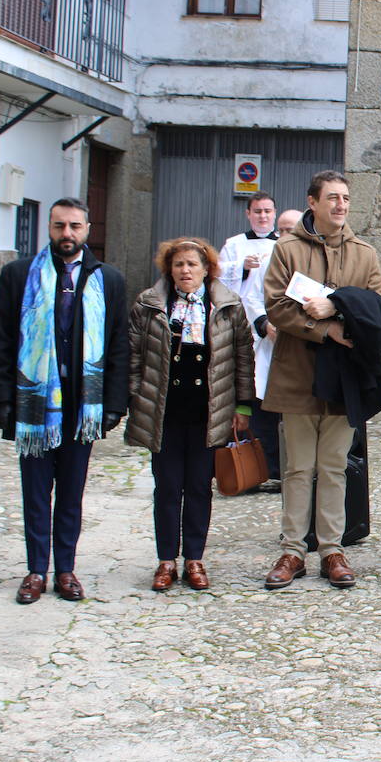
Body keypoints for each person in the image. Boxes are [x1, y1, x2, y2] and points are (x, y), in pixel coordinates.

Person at [0, 199, 129, 604]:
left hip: (81, 404)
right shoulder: (18, 275)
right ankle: (36, 569)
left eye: (74, 226)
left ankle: (65, 569)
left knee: (71, 491)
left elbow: (119, 344)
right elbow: (1, 340)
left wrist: (113, 404)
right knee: (35, 491)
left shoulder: (108, 279)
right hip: (33, 403)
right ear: (48, 229)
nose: (66, 234)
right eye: (58, 226)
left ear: (88, 229)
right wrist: (1, 399)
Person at [262, 171, 381, 591]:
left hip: (344, 379)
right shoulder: (287, 249)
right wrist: (322, 331)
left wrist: (337, 307)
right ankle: (292, 550)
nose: (340, 205)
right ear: (312, 202)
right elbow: (277, 306)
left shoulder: (365, 253)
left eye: (346, 198)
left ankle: (332, 549)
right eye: (332, 198)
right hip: (297, 374)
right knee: (298, 467)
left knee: (334, 466)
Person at [126, 238, 254, 592]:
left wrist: (242, 406)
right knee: (167, 487)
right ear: (169, 268)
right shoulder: (149, 305)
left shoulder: (227, 306)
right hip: (164, 412)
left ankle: (195, 558)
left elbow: (243, 358)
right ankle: (166, 559)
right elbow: (134, 356)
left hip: (208, 412)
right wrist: (137, 398)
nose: (185, 271)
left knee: (199, 486)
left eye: (192, 265)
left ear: (206, 269)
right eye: (179, 264)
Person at [239, 208, 301, 488]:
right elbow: (251, 297)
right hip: (269, 344)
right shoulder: (269, 260)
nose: (285, 236)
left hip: (299, 347)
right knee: (264, 408)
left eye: (291, 230)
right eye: (282, 230)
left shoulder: (309, 258)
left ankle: (293, 470)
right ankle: (268, 469)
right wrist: (265, 324)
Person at [217, 193, 278, 296]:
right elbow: (218, 273)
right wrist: (242, 267)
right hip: (241, 306)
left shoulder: (284, 244)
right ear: (248, 214)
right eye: (257, 212)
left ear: (274, 213)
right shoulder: (233, 244)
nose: (263, 216)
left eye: (267, 211)